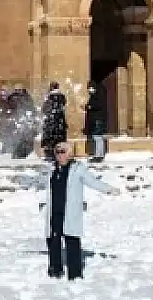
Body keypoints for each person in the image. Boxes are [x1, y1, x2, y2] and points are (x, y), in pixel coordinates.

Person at [40, 140, 117, 280]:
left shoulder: (77, 169)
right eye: (57, 152)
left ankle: (75, 274)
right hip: (54, 212)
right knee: (53, 241)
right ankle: (55, 271)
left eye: (62, 152)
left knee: (72, 241)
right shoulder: (53, 170)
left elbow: (93, 182)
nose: (59, 155)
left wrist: (109, 189)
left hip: (69, 212)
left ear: (69, 154)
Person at [40, 82, 69, 157]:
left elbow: (44, 109)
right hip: (60, 121)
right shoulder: (62, 96)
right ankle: (60, 154)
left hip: (51, 121)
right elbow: (63, 106)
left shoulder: (49, 97)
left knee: (50, 138)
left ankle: (51, 154)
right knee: (60, 139)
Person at [84, 83, 109, 162]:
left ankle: (99, 155)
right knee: (98, 137)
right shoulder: (94, 96)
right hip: (96, 119)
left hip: (97, 119)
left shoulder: (98, 96)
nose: (89, 90)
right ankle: (99, 155)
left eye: (90, 88)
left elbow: (98, 106)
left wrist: (89, 107)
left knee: (98, 137)